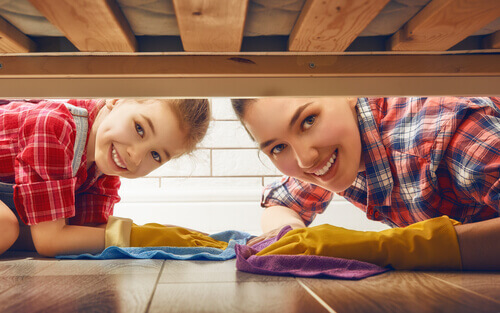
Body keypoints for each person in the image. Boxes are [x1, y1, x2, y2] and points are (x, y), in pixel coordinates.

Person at [231, 97, 500, 270]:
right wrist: (293, 239)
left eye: (309, 120)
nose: (304, 159)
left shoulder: (445, 134)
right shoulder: (335, 150)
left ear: (349, 90)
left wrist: (384, 246)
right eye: (278, 147)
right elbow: (282, 203)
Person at [0, 98, 211, 257]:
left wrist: (173, 235)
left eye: (155, 155)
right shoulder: (54, 126)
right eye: (139, 129)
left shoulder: (102, 171)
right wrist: (144, 237)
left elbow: (88, 232)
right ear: (117, 99)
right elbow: (51, 240)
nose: (136, 158)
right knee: (6, 227)